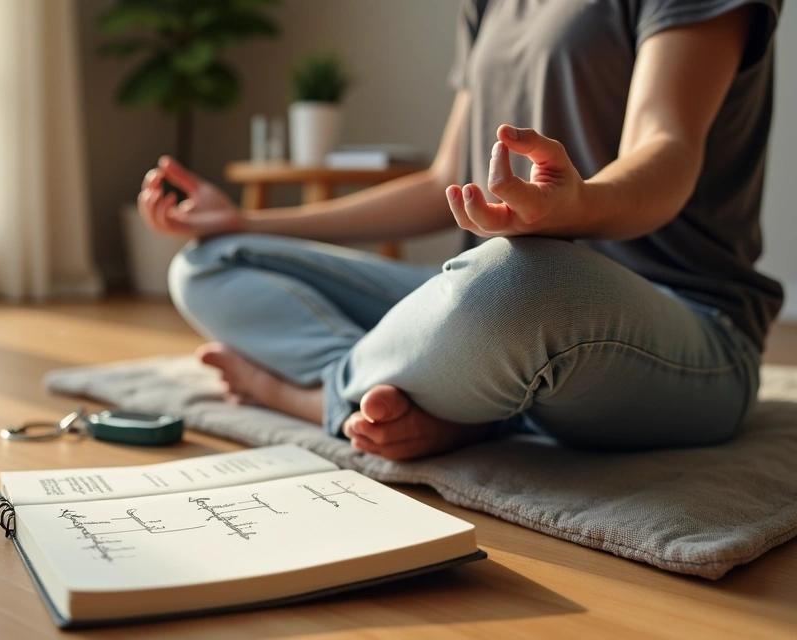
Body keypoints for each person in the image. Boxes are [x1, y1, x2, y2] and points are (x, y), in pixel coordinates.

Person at [135, 0, 785, 461]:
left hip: (684, 329)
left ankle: (311, 396)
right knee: (209, 260)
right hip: (496, 310)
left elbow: (667, 146)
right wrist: (244, 220)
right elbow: (443, 182)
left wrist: (577, 205)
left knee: (512, 282)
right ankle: (443, 402)